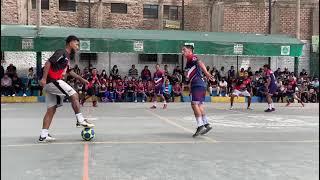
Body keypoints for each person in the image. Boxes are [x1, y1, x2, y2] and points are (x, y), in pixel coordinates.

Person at [38, 35, 94, 143]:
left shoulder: (67, 57)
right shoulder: (61, 52)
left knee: (51, 109)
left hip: (51, 83)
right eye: (76, 44)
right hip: (51, 81)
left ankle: (43, 135)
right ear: (70, 43)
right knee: (74, 95)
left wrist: (82, 79)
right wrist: (44, 78)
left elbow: (69, 71)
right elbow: (48, 63)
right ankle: (80, 120)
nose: (77, 47)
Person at [182, 45, 213, 137]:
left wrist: (206, 73)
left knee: (194, 104)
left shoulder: (192, 57)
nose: (182, 52)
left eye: (184, 50)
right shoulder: (188, 62)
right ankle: (206, 124)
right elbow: (190, 74)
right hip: (198, 84)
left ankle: (200, 125)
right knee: (199, 105)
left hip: (198, 84)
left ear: (190, 51)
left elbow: (200, 62)